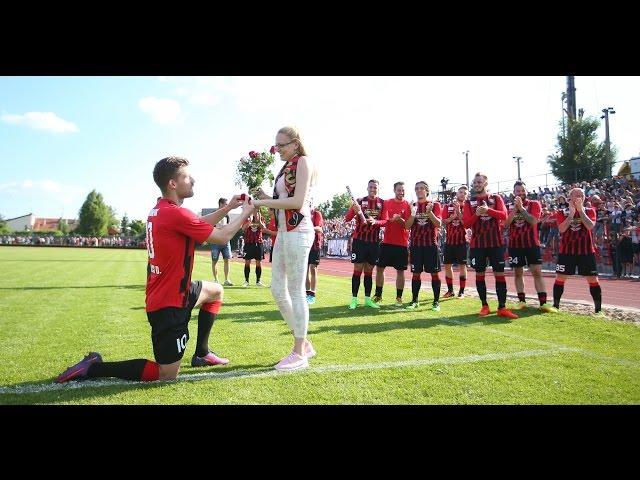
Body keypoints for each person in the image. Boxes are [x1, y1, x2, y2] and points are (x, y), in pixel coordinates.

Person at [56, 156, 254, 383]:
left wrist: (229, 207)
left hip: (175, 291)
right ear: (173, 183)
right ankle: (93, 368)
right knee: (166, 374)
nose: (193, 180)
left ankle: (202, 353)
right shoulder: (176, 213)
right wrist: (245, 214)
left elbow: (197, 222)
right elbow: (222, 236)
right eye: (187, 177)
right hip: (169, 305)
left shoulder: (162, 210)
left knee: (216, 291)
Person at [252, 126, 318, 371]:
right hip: (283, 233)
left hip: (298, 232)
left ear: (295, 143)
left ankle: (299, 352)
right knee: (277, 290)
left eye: (281, 145)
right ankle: (305, 343)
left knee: (296, 290)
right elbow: (281, 203)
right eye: (276, 145)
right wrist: (262, 195)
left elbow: (297, 202)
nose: (277, 149)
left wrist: (262, 201)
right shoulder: (285, 166)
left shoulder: (303, 162)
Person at [462, 172, 519, 319]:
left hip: (495, 243)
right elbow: (466, 223)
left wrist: (488, 210)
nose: (476, 184)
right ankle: (484, 306)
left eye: (479, 182)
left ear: (485, 183)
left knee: (499, 274)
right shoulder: (469, 202)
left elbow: (504, 215)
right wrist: (477, 214)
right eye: (475, 182)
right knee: (480, 275)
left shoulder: (495, 198)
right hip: (478, 245)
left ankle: (502, 307)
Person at [549, 187, 602, 314]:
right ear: (570, 197)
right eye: (576, 195)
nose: (579, 197)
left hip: (586, 251)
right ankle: (555, 306)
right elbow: (561, 229)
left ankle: (598, 310)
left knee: (593, 279)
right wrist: (572, 214)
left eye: (581, 195)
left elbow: (590, 226)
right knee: (560, 278)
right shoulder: (561, 212)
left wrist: (580, 211)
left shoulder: (590, 210)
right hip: (567, 251)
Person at [504, 181, 554, 312]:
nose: (520, 193)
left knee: (537, 272)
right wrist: (515, 209)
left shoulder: (534, 204)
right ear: (514, 193)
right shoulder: (509, 206)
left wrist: (522, 209)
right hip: (515, 244)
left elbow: (533, 221)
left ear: (526, 191)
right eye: (517, 191)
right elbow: (505, 224)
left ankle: (543, 303)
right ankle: (521, 301)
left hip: (532, 244)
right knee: (517, 273)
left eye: (522, 190)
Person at [344, 180, 387, 309]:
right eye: (371, 187)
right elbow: (347, 218)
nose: (373, 189)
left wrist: (375, 221)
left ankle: (368, 299)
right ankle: (354, 299)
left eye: (375, 187)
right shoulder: (359, 201)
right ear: (367, 188)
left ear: (378, 189)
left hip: (373, 242)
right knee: (357, 270)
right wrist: (354, 209)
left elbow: (385, 221)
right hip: (360, 241)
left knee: (369, 270)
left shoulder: (382, 203)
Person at [404, 181, 442, 311]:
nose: (419, 190)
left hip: (431, 245)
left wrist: (429, 212)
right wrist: (413, 213)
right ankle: (415, 300)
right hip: (416, 245)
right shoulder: (412, 205)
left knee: (434, 274)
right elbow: (407, 226)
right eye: (417, 188)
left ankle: (436, 302)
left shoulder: (434, 204)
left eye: (421, 188)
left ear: (427, 190)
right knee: (416, 274)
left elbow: (439, 224)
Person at [372, 182, 411, 308]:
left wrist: (400, 220)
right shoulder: (387, 203)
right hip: (387, 242)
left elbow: (408, 225)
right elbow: (384, 220)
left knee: (400, 271)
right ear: (394, 190)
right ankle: (378, 295)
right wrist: (381, 221)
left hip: (402, 243)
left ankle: (399, 297)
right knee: (379, 269)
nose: (401, 192)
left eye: (403, 190)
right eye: (399, 190)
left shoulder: (408, 205)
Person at [441, 185, 469, 298]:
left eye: (464, 193)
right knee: (447, 265)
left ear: (467, 195)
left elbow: (467, 223)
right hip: (449, 241)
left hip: (462, 241)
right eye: (460, 192)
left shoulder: (468, 207)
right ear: (457, 193)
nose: (462, 194)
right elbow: (443, 221)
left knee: (462, 266)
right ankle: (450, 290)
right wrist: (452, 218)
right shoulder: (447, 206)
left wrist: (459, 213)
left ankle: (462, 291)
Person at [210, 197, 234, 286]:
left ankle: (226, 280)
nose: (227, 206)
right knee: (214, 260)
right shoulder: (213, 214)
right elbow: (209, 226)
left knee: (227, 260)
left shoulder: (227, 215)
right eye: (226, 204)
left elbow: (227, 227)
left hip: (225, 241)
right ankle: (216, 280)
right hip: (215, 241)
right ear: (220, 204)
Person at [241, 212, 267, 287]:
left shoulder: (261, 218)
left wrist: (259, 221)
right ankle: (246, 281)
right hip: (248, 243)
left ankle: (258, 281)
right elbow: (243, 228)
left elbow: (264, 227)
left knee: (258, 262)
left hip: (258, 243)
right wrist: (250, 220)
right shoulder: (246, 217)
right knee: (247, 262)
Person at [306, 206, 324, 304]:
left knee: (313, 268)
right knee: (305, 270)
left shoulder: (316, 213)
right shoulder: (300, 213)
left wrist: (308, 228)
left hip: (314, 246)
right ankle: (306, 293)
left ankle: (312, 294)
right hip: (303, 245)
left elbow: (319, 229)